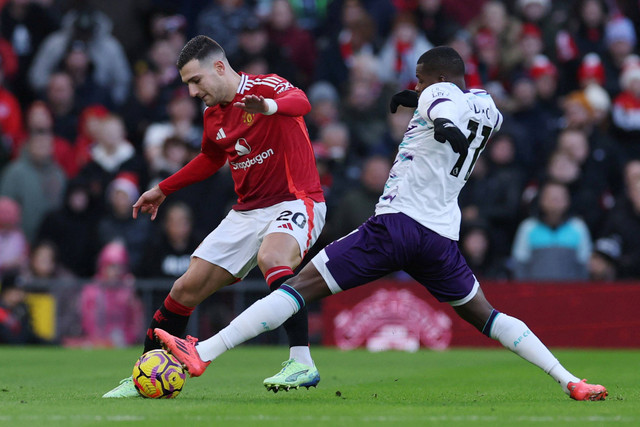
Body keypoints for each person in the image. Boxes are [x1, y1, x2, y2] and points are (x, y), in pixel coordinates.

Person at [155, 46, 607, 401]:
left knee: (297, 287)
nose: (417, 84)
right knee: (487, 317)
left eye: (420, 78)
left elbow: (441, 103)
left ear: (437, 78)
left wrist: (438, 115)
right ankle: (569, 380)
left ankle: (205, 351)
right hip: (440, 238)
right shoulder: (488, 108)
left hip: (395, 226)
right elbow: (452, 104)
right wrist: (424, 106)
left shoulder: (438, 94)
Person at [102, 35, 326, 397]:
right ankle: (143, 375)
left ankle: (301, 361)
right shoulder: (213, 115)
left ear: (219, 68)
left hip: (296, 200)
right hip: (247, 212)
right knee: (184, 289)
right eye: (187, 84)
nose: (192, 92)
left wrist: (268, 107)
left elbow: (301, 102)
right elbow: (211, 158)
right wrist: (164, 188)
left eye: (196, 81)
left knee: (273, 257)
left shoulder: (265, 86)